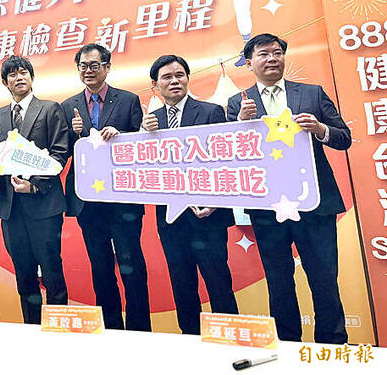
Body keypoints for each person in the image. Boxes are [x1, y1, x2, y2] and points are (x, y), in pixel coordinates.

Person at [227, 33, 351, 344]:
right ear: (249, 63)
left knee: (324, 278)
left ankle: (332, 345)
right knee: (279, 281)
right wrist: (241, 126)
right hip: (267, 206)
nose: (272, 59)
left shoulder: (311, 93)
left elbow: (344, 137)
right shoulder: (237, 103)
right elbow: (228, 155)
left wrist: (321, 129)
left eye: (277, 53)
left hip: (314, 204)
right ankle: (286, 344)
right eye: (263, 54)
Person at [142, 55, 238, 335]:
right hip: (171, 220)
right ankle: (190, 339)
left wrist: (214, 202)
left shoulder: (210, 112)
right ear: (155, 85)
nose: (175, 81)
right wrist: (143, 136)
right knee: (181, 283)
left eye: (180, 75)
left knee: (218, 281)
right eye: (167, 77)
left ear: (187, 78)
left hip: (208, 216)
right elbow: (143, 168)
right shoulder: (150, 122)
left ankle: (229, 337)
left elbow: (226, 161)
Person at [60, 43, 150, 331]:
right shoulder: (67, 105)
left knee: (131, 265)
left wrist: (122, 136)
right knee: (100, 269)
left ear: (107, 67)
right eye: (83, 66)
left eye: (94, 65)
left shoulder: (127, 100)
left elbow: (142, 146)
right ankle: (110, 328)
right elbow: (62, 152)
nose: (88, 71)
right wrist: (75, 137)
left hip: (123, 199)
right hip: (88, 201)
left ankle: (139, 330)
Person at [0, 55, 69, 325]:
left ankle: (58, 330)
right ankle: (31, 329)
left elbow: (60, 153)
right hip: (11, 210)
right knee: (24, 275)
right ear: (4, 82)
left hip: (44, 206)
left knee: (52, 272)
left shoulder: (49, 109)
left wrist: (33, 186)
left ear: (32, 78)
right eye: (13, 75)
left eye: (24, 73)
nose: (19, 78)